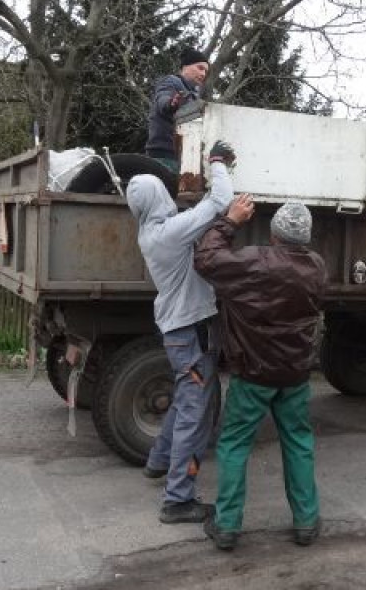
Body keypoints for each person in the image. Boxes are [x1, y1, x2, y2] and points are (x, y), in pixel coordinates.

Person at [193, 197, 327, 551]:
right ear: (306, 237)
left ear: (274, 233)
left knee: (235, 445)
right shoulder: (317, 266)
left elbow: (205, 259)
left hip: (253, 373)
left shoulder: (255, 261)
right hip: (295, 375)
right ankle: (306, 522)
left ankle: (227, 527)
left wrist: (230, 221)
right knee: (299, 444)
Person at [125, 140, 236, 524]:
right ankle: (178, 500)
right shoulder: (169, 233)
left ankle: (157, 462)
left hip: (179, 329)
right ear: (158, 198)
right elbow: (222, 200)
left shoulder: (151, 230)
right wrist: (217, 161)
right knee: (194, 411)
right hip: (188, 332)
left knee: (184, 399)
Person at [146, 45, 210, 173]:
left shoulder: (194, 95)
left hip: (182, 156)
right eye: (200, 68)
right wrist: (171, 104)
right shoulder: (172, 81)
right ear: (185, 66)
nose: (203, 74)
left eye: (206, 71)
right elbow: (162, 100)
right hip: (164, 155)